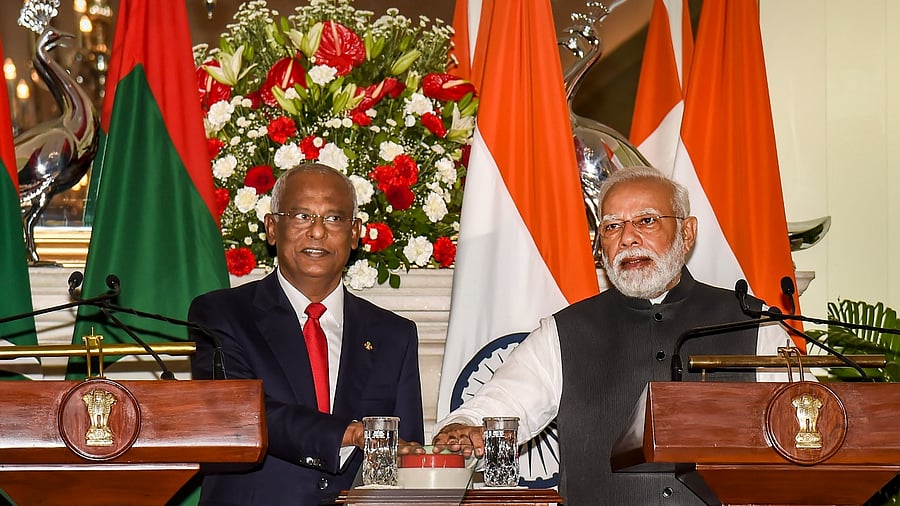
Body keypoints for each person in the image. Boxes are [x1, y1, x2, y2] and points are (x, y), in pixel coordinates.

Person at [432, 166, 792, 505]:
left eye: (646, 221)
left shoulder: (752, 323)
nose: (628, 238)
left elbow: (805, 433)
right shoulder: (565, 332)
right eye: (612, 226)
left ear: (687, 233)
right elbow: (496, 407)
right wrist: (463, 428)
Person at [190, 163, 425, 505]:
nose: (317, 232)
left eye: (333, 218)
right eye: (301, 216)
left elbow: (404, 453)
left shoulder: (394, 335)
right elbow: (238, 412)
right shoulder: (220, 314)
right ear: (272, 228)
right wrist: (352, 433)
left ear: (355, 232)